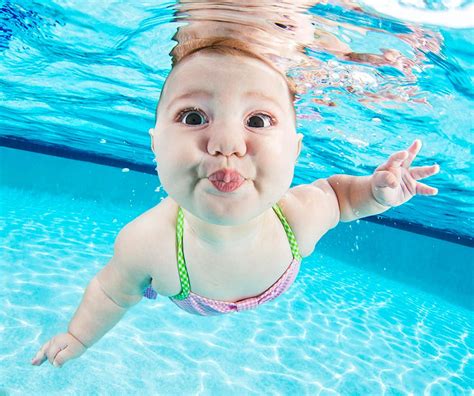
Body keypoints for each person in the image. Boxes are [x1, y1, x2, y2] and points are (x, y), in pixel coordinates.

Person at [31, 37, 440, 369]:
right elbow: (112, 294)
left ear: (295, 151)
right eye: (194, 117)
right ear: (156, 145)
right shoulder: (147, 244)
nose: (226, 143)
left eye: (257, 121)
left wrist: (375, 192)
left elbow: (343, 198)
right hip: (186, 293)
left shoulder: (298, 217)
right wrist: (78, 337)